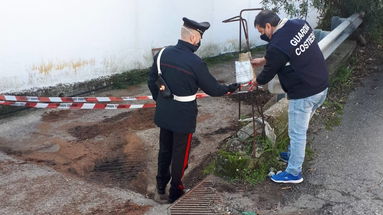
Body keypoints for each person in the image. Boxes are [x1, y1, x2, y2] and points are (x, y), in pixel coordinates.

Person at [148, 17, 239, 203]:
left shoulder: (162, 54)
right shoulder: (195, 62)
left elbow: (151, 82)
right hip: (184, 115)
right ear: (193, 38)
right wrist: (230, 88)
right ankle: (176, 191)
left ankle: (160, 186)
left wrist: (161, 101)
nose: (199, 42)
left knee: (165, 149)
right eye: (199, 38)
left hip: (164, 112)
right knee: (180, 154)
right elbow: (213, 89)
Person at [251, 10, 328, 184]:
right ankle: (294, 154)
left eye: (262, 32)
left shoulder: (276, 46)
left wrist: (255, 81)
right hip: (321, 86)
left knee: (297, 132)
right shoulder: (300, 24)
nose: (262, 35)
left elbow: (269, 72)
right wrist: (264, 59)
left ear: (269, 26)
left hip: (304, 93)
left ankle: (293, 172)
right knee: (301, 128)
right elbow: (290, 48)